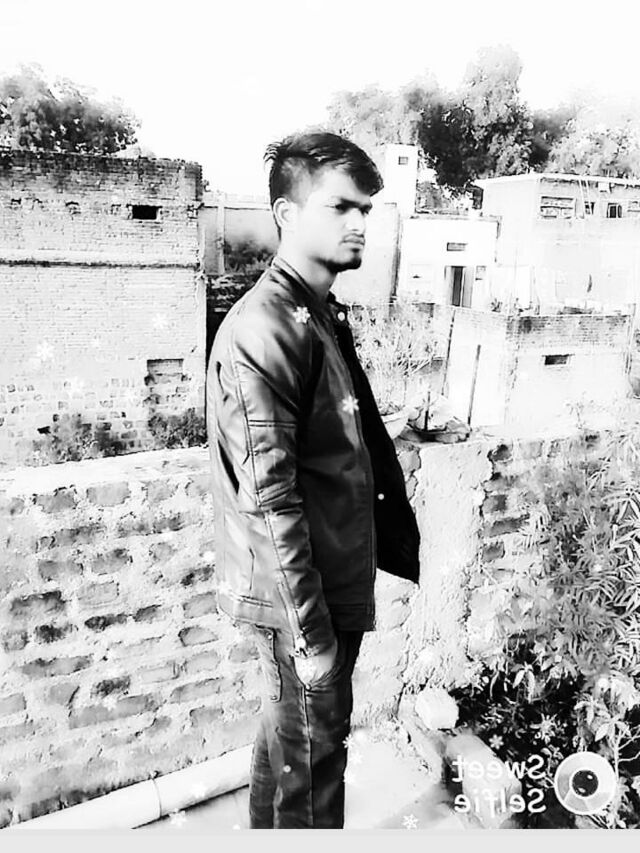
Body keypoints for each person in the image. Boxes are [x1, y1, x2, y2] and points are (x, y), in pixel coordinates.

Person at [206, 131, 420, 829]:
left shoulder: (314, 315)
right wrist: (311, 632)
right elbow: (268, 498)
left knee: (288, 753)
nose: (359, 223)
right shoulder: (268, 328)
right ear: (287, 214)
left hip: (319, 585)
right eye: (340, 207)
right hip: (302, 599)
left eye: (366, 209)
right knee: (314, 775)